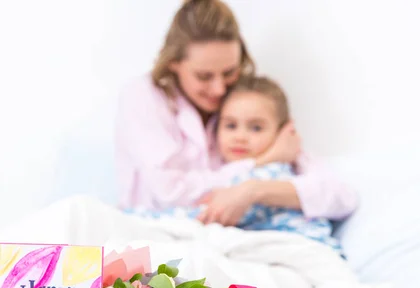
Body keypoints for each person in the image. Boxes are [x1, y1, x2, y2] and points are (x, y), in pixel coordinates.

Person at [114, 0, 357, 227]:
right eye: (204, 76)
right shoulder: (143, 97)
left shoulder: (245, 103)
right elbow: (169, 194)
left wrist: (253, 190)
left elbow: (340, 195)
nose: (219, 89)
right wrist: (262, 161)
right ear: (172, 64)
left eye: (229, 72)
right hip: (156, 229)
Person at [128, 74, 342, 254]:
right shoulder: (210, 165)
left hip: (287, 247)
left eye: (256, 128)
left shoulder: (293, 160)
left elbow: (341, 195)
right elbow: (185, 208)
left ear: (283, 130)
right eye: (230, 125)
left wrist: (252, 190)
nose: (240, 137)